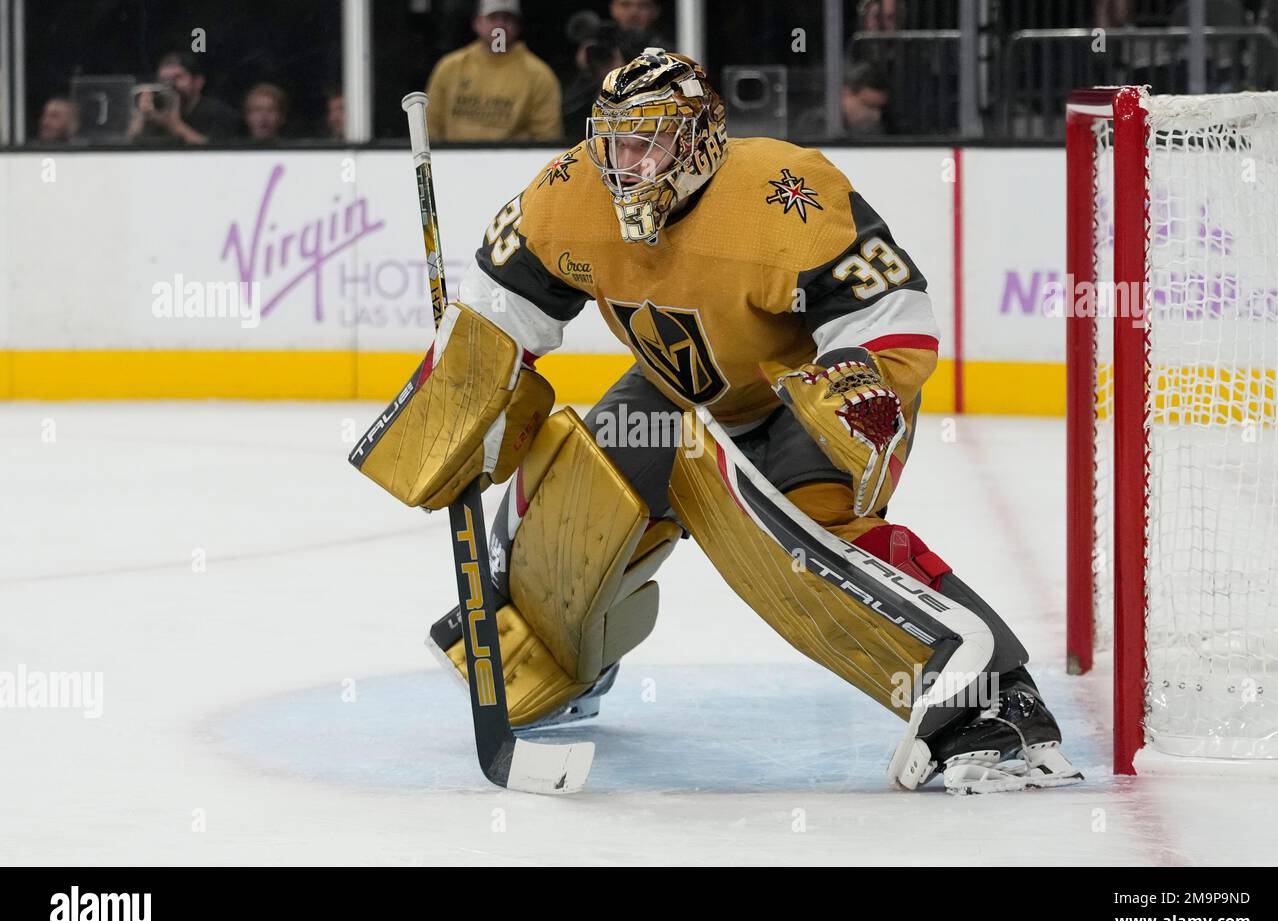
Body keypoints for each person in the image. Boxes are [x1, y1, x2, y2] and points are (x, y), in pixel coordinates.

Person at [361, 49, 1083, 794]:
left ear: (702, 137)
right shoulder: (567, 192)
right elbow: (499, 320)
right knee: (571, 501)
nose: (623, 162)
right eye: (613, 139)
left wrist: (850, 394)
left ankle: (994, 703)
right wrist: (466, 404)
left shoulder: (782, 191)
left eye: (648, 139)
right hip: (674, 396)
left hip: (799, 394)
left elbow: (890, 314)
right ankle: (555, 663)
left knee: (805, 540)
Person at [422, 0, 562, 142]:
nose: (500, 25)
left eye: (507, 18)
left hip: (513, 162)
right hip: (451, 160)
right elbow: (430, 128)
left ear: (518, 26)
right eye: (493, 17)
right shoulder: (449, 67)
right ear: (477, 23)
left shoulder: (539, 75)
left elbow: (547, 140)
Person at [129, 51, 241, 145]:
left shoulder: (218, 112)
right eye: (163, 79)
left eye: (178, 77)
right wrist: (140, 118)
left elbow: (217, 154)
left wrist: (173, 125)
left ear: (198, 82)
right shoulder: (156, 111)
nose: (169, 84)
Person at [561, 13, 625, 142]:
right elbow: (566, 112)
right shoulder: (569, 75)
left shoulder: (633, 69)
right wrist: (586, 75)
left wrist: (620, 76)